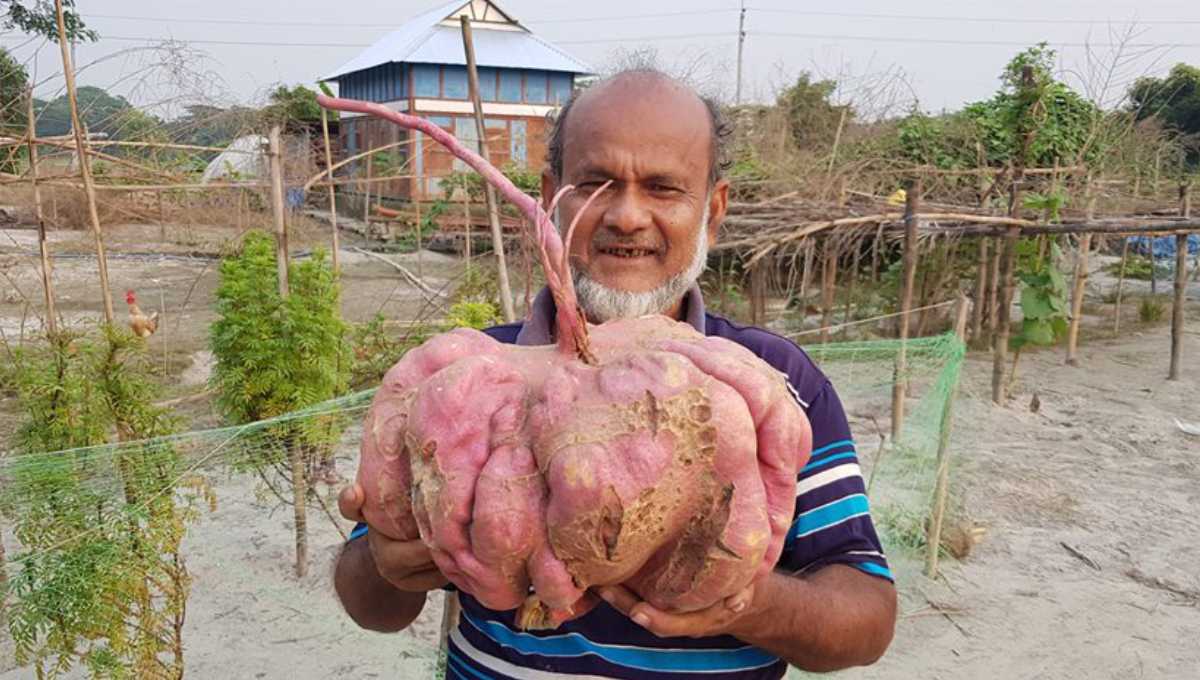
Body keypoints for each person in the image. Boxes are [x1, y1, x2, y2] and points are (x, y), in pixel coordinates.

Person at [334, 69, 896, 679]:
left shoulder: (772, 380)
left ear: (712, 210)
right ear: (552, 198)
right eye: (596, 184)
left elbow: (865, 619)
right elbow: (374, 609)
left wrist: (745, 602)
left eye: (663, 188)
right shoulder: (463, 386)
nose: (627, 216)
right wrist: (383, 564)